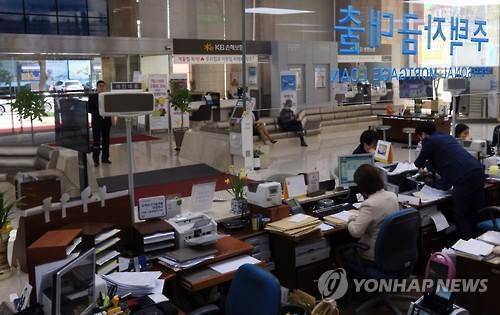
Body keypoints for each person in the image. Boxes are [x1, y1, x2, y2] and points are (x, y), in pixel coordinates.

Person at [414, 121, 484, 238]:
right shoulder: (446, 136)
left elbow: (417, 164)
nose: (421, 140)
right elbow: (438, 158)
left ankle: (468, 247)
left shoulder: (428, 141)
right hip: (477, 171)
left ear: (423, 134)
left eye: (419, 137)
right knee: (474, 211)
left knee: (460, 215)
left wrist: (421, 169)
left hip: (463, 177)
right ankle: (479, 241)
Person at [346, 164, 399, 261]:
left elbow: (356, 232)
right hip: (392, 250)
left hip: (373, 253)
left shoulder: (369, 204)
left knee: (343, 254)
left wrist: (350, 219)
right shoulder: (393, 196)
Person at [88, 80, 112, 166]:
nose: (102, 88)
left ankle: (105, 158)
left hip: (106, 122)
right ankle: (96, 159)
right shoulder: (92, 97)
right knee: (96, 141)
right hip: (97, 122)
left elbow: (111, 108)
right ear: (97, 87)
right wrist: (98, 112)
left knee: (106, 141)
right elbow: (89, 109)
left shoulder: (108, 97)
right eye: (100, 86)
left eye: (103, 86)